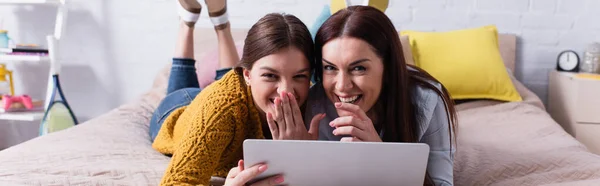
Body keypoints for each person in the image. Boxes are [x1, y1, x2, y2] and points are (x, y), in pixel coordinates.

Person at [148, 0, 322, 185]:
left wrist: (302, 153)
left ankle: (221, 22)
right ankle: (187, 22)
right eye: (270, 75)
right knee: (184, 90)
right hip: (176, 110)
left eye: (299, 76)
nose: (286, 91)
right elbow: (175, 182)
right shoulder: (221, 108)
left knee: (229, 81)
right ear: (247, 75)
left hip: (229, 94)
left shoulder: (313, 103)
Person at [305, 6, 458, 186]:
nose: (342, 86)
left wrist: (381, 159)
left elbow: (442, 183)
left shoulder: (426, 100)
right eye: (330, 67)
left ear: (387, 68)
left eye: (358, 68)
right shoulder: (316, 105)